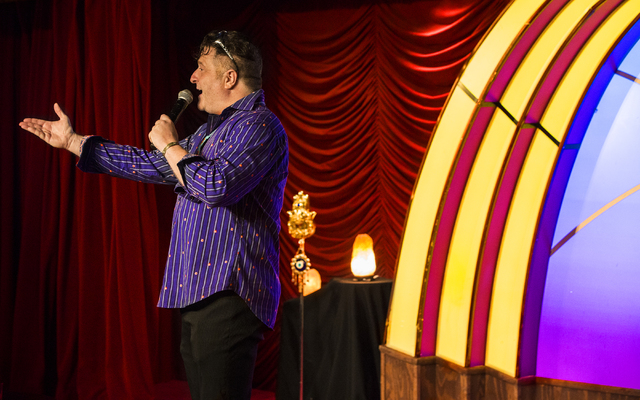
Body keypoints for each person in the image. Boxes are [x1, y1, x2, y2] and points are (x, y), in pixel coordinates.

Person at [19, 30, 289, 400]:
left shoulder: (259, 125)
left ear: (229, 78)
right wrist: (73, 142)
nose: (193, 77)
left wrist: (171, 144)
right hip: (197, 289)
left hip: (230, 289)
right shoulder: (208, 134)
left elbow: (216, 186)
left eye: (201, 68)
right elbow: (150, 164)